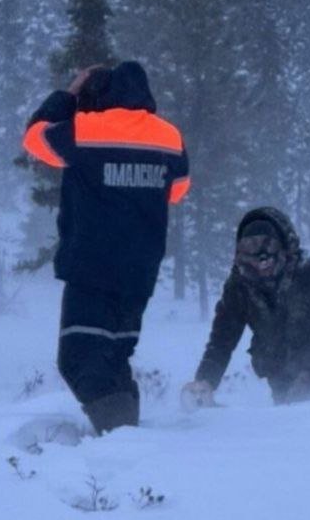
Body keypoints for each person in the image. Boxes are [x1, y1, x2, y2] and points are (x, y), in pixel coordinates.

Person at [22, 61, 190, 433]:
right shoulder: (170, 137)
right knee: (115, 358)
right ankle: (125, 439)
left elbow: (35, 137)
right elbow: (178, 191)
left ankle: (119, 434)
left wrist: (67, 95)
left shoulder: (86, 130)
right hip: (140, 272)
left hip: (92, 268)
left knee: (78, 359)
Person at [183, 207, 310, 406]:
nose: (262, 259)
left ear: (284, 246)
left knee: (302, 404)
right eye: (251, 248)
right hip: (275, 364)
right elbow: (223, 337)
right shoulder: (239, 285)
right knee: (284, 410)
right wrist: (206, 380)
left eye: (269, 246)